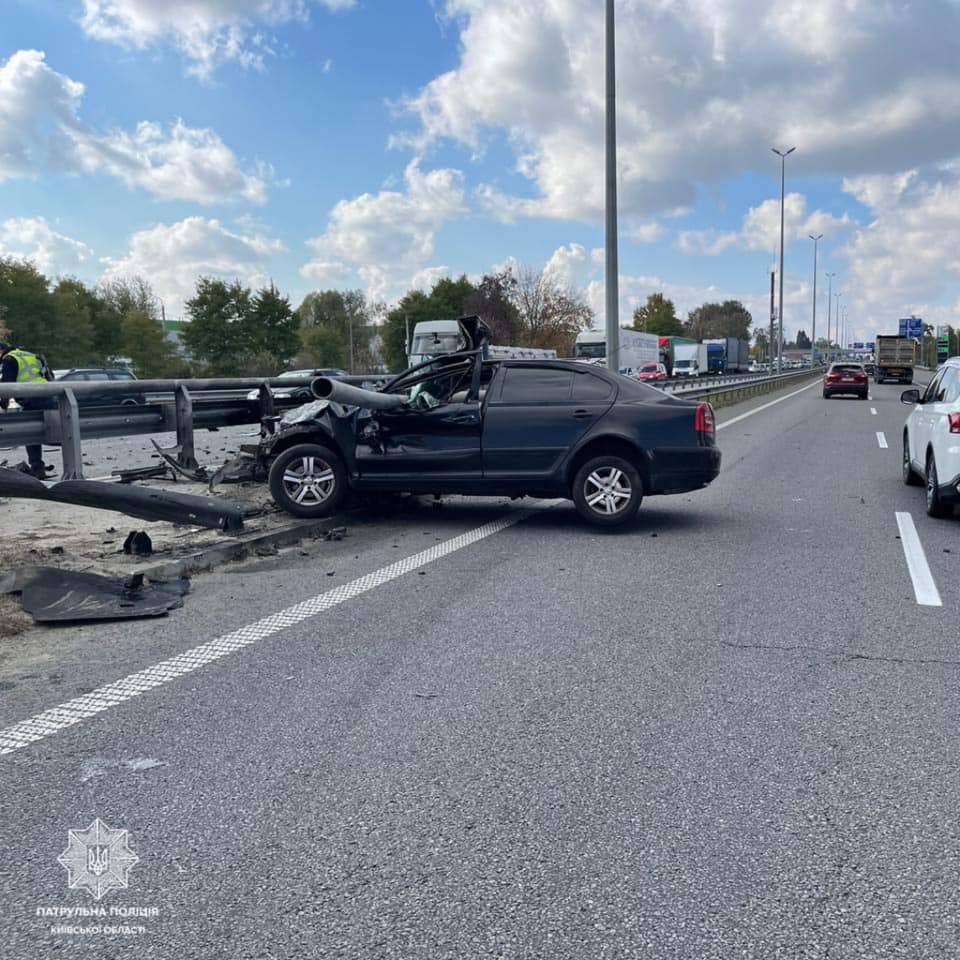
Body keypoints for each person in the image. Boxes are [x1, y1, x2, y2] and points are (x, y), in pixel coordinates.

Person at [0, 341, 55, 478]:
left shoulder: (9, 359)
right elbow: (50, 376)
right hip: (47, 394)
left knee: (31, 435)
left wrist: (3, 403)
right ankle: (38, 469)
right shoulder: (32, 355)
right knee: (55, 432)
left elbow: (8, 385)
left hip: (31, 399)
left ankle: (38, 469)